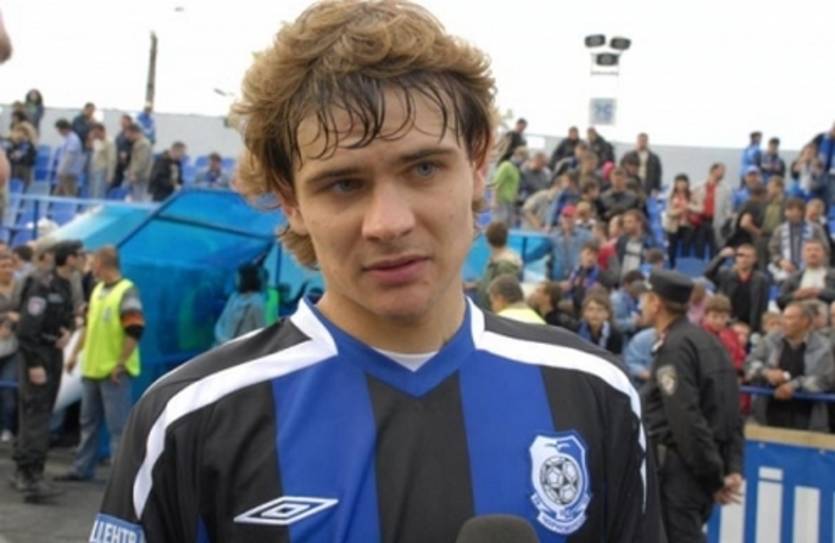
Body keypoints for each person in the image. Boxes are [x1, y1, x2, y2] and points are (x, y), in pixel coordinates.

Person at [93, 2, 662, 540]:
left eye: (423, 168)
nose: (388, 223)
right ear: (291, 200)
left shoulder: (595, 394)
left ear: (478, 163)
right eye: (344, 183)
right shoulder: (187, 420)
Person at [641, 269, 744, 543]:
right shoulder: (708, 341)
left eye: (645, 298)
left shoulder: (675, 348)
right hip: (698, 472)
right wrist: (729, 467)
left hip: (679, 472)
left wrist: (714, 476)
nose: (642, 305)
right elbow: (732, 410)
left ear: (656, 302)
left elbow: (685, 418)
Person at [56, 246, 144, 482]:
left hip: (113, 372)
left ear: (103, 263)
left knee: (118, 427)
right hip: (92, 369)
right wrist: (75, 353)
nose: (90, 266)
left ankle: (120, 479)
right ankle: (82, 468)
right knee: (88, 423)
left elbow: (135, 330)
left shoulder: (127, 291)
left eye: (93, 262)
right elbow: (89, 325)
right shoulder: (96, 290)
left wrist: (120, 363)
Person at [11, 240, 80, 502]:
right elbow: (26, 331)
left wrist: (67, 331)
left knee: (40, 412)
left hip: (53, 352)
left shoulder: (64, 285)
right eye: (79, 255)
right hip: (38, 355)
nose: (83, 259)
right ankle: (31, 476)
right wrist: (34, 364)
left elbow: (66, 317)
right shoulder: (42, 286)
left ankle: (26, 471)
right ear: (69, 258)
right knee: (36, 415)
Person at [745, 301, 835, 431]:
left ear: (804, 321)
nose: (783, 322)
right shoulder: (770, 340)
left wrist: (794, 386)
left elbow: (825, 380)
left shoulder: (823, 347)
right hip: (767, 414)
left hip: (807, 419)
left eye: (789, 318)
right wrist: (766, 373)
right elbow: (749, 364)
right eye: (783, 317)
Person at [704, 244, 770, 333]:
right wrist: (721, 257)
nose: (743, 259)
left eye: (748, 256)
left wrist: (756, 329)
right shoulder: (726, 274)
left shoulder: (761, 280)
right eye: (740, 255)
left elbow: (762, 306)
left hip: (750, 326)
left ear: (754, 259)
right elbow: (708, 273)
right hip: (727, 323)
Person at [526, 204, 594, 281]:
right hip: (558, 281)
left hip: (578, 279)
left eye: (570, 217)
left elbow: (594, 254)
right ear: (561, 218)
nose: (567, 219)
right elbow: (538, 252)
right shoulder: (553, 236)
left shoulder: (585, 236)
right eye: (565, 216)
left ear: (575, 218)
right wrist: (521, 260)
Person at [767, 198, 828, 283]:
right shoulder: (780, 230)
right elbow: (773, 250)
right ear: (785, 212)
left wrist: (816, 263)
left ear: (802, 212)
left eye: (797, 211)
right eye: (790, 210)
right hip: (785, 273)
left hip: (812, 272)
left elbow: (825, 249)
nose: (793, 213)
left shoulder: (815, 229)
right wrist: (780, 261)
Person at [213, 263, 266, 345]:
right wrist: (222, 339)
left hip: (241, 348)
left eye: (238, 277)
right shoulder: (234, 297)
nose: (236, 280)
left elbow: (261, 333)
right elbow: (220, 322)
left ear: (246, 279)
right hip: (223, 346)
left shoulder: (256, 303)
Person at [474, 221, 522, 308]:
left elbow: (504, 294)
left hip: (494, 310)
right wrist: (473, 285)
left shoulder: (505, 264)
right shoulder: (496, 260)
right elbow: (488, 281)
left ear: (487, 240)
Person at [778, 238, 835, 309]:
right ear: (802, 255)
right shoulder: (793, 277)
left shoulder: (833, 275)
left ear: (825, 254)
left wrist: (820, 293)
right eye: (808, 250)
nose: (812, 253)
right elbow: (780, 301)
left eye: (817, 250)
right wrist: (796, 295)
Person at [0, 252, 21, 443]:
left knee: (8, 389)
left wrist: (14, 322)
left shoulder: (20, 288)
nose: (7, 270)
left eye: (10, 266)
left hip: (12, 348)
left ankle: (7, 428)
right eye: (3, 266)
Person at [663, 174, 698, 267]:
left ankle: (684, 266)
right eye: (679, 183)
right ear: (675, 184)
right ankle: (672, 265)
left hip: (688, 224)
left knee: (686, 246)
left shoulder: (692, 195)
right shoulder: (670, 196)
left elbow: (699, 208)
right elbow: (669, 212)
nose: (681, 185)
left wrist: (689, 207)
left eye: (683, 183)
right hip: (673, 225)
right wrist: (680, 210)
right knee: (672, 247)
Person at [491, 145, 527, 226]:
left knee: (508, 225)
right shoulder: (506, 165)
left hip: (510, 203)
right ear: (517, 155)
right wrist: (494, 200)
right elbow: (496, 183)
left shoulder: (516, 169)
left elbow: (514, 186)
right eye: (523, 158)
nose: (523, 160)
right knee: (498, 225)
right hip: (501, 201)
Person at [577, 291, 623, 355]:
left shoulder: (615, 335)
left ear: (607, 314)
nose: (595, 313)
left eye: (600, 310)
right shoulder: (576, 329)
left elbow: (615, 358)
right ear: (584, 313)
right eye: (590, 309)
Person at [615, 209, 657, 278]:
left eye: (629, 222)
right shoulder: (622, 240)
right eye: (624, 222)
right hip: (623, 279)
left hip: (641, 280)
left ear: (639, 223)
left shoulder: (649, 241)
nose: (625, 225)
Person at [53, 119, 85, 196]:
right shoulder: (66, 138)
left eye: (59, 130)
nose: (58, 132)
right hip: (65, 172)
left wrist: (61, 171)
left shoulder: (73, 139)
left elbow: (69, 158)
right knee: (59, 194)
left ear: (64, 129)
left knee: (69, 194)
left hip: (69, 173)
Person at [124, 123, 153, 202]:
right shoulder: (139, 143)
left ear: (134, 132)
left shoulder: (143, 144)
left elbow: (141, 161)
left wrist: (134, 173)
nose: (127, 137)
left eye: (129, 134)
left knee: (139, 199)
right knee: (137, 198)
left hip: (141, 177)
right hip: (139, 176)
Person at [88, 123, 117, 199]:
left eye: (97, 133)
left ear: (102, 131)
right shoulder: (97, 141)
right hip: (94, 169)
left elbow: (112, 160)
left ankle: (98, 205)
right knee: (93, 191)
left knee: (99, 192)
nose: (95, 135)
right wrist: (91, 138)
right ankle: (93, 205)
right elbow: (92, 149)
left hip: (102, 170)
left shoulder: (110, 142)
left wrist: (110, 175)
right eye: (94, 133)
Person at [113, 114, 134, 188]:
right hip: (119, 165)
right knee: (117, 185)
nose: (122, 123)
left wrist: (127, 154)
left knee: (127, 187)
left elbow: (136, 148)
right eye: (121, 122)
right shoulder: (119, 135)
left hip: (129, 164)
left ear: (130, 122)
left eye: (124, 122)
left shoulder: (134, 134)